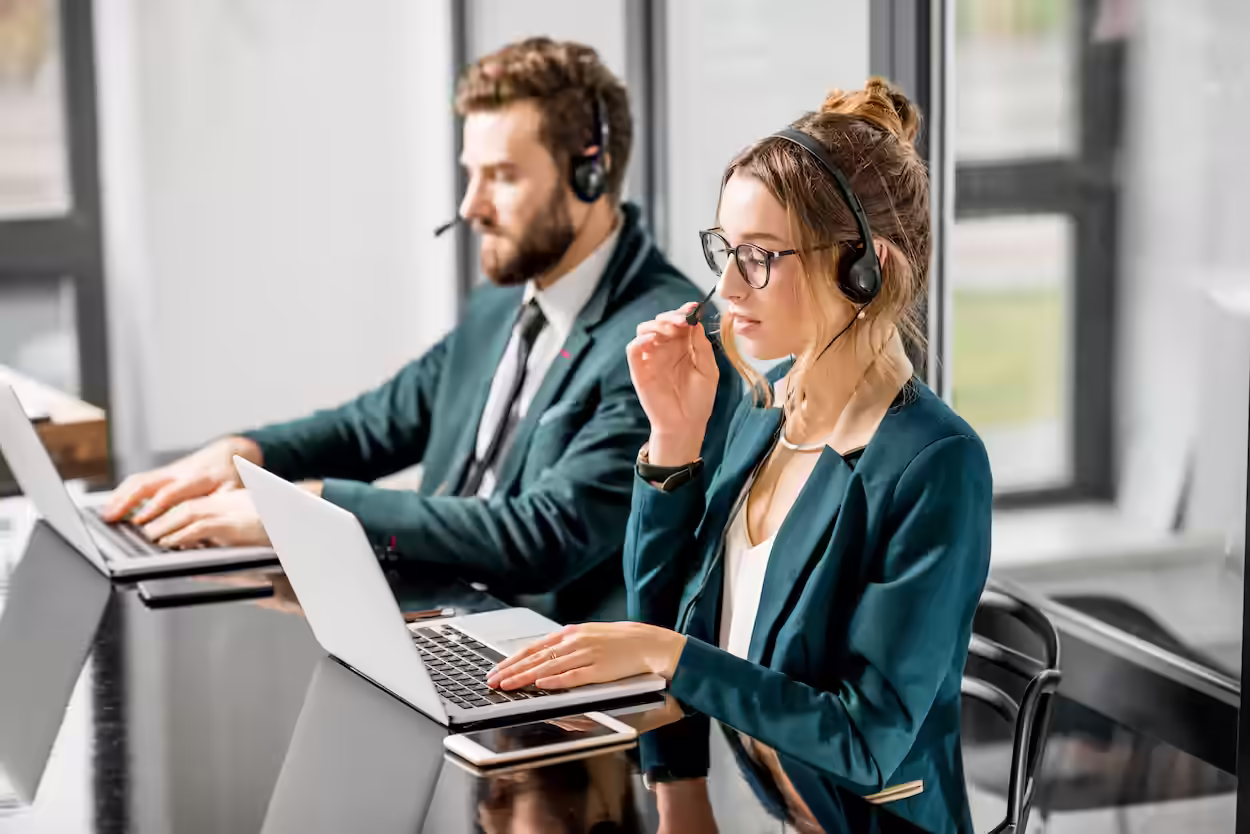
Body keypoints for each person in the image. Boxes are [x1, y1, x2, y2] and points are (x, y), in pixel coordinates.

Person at [485, 78, 992, 834]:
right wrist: (673, 444)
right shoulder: (762, 410)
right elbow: (670, 619)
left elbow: (866, 741)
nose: (724, 288)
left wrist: (670, 657)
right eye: (726, 250)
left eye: (759, 257)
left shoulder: (935, 464)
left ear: (867, 268)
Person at [101, 37, 738, 623]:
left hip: (546, 686)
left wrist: (313, 511)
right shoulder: (502, 308)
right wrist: (242, 456)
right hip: (425, 618)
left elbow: (544, 537)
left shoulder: (666, 339)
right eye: (472, 172)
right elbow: (371, 426)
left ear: (588, 175)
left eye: (503, 176)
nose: (470, 206)